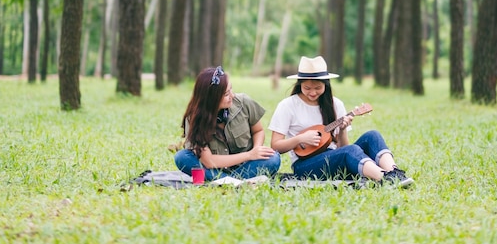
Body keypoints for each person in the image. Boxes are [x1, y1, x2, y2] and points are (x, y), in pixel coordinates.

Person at [268, 56, 414, 187]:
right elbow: (276, 146)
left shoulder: (335, 104)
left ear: (326, 84)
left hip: (334, 158)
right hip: (305, 166)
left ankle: (394, 172)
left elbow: (343, 147)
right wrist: (300, 139)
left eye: (318, 88)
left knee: (372, 136)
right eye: (307, 88)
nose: (312, 92)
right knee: (350, 152)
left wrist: (343, 129)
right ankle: (384, 178)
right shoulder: (288, 105)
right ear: (300, 84)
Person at [174, 66, 281, 181]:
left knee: (274, 158)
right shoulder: (194, 118)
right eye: (226, 94)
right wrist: (249, 155)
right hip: (213, 167)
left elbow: (258, 131)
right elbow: (209, 162)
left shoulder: (243, 102)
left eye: (231, 89)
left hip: (246, 166)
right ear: (211, 98)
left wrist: (256, 151)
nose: (232, 96)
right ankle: (234, 181)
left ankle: (220, 180)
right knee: (182, 157)